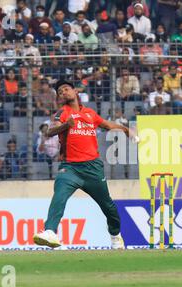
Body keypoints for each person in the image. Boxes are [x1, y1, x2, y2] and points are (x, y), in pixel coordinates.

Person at [33, 80, 139, 249]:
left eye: (66, 89)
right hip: (70, 168)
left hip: (93, 168)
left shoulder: (90, 113)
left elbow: (107, 125)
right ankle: (50, 231)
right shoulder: (63, 113)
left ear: (75, 92)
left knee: (108, 206)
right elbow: (51, 131)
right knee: (59, 196)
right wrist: (67, 125)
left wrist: (126, 130)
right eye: (60, 92)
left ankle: (115, 235)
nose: (63, 93)